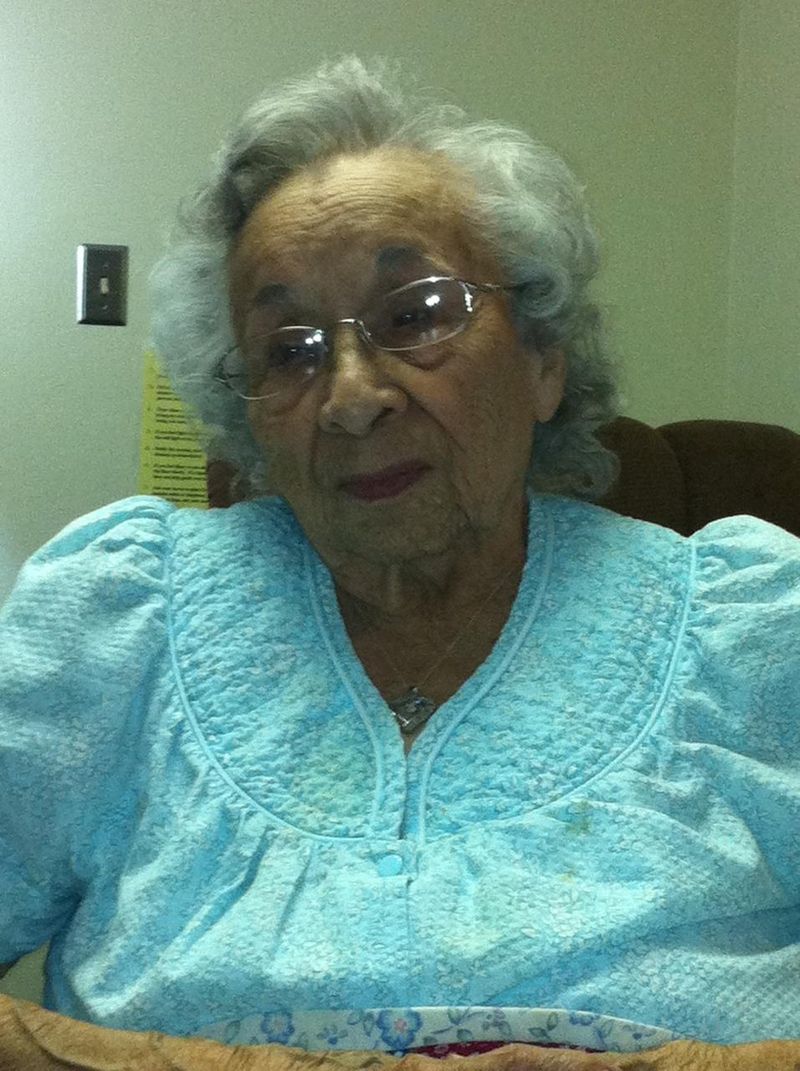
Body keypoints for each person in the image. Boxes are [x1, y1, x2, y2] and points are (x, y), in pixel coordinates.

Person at [1, 57, 799, 1071]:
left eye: (416, 313)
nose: (350, 397)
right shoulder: (116, 619)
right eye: (289, 349)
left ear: (543, 358)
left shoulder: (757, 628)